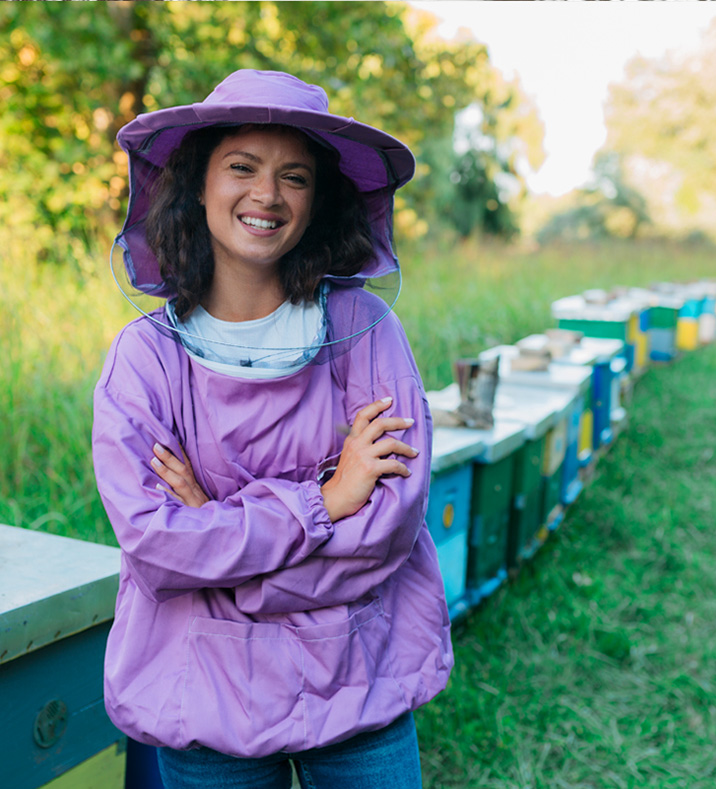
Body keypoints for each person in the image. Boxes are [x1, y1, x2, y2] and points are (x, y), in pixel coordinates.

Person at [92, 70, 453, 789]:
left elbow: (388, 524)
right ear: (198, 183)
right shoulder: (146, 357)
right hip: (207, 694)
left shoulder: (366, 331)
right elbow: (157, 544)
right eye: (242, 167)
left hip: (359, 682)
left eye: (294, 176)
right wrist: (325, 496)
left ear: (318, 201)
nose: (267, 194)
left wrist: (219, 541)